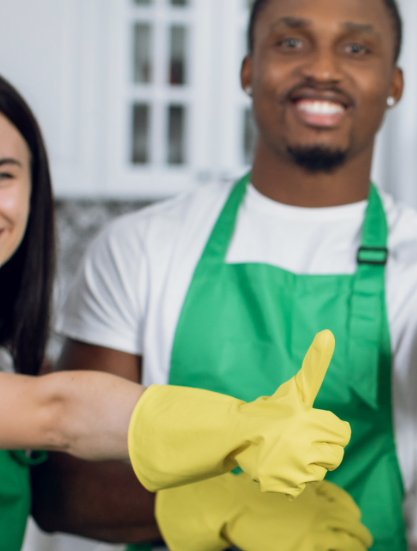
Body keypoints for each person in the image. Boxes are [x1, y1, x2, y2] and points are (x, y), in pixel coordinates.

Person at [33, 0, 417, 549]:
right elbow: (64, 488)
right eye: (292, 41)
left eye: (356, 49)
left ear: (394, 84)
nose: (322, 69)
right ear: (249, 71)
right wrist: (215, 508)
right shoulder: (142, 248)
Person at [0, 74, 373, 550]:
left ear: (35, 187)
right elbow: (59, 413)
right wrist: (238, 430)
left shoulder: (14, 356)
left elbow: (75, 411)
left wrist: (236, 448)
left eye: (3, 174)